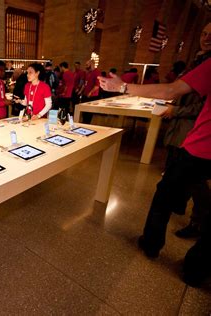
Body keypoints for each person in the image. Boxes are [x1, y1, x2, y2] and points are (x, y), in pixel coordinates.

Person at [98, 58, 211, 288]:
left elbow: (171, 90)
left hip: (201, 147)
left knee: (165, 195)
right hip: (200, 147)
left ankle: (152, 244)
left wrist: (122, 87)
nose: (207, 36)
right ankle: (196, 270)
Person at [163, 22, 211, 239]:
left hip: (197, 133)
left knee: (196, 182)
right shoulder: (198, 60)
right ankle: (178, 205)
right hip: (183, 127)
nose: (206, 37)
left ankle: (198, 222)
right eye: (204, 32)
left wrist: (177, 110)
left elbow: (201, 105)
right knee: (176, 171)